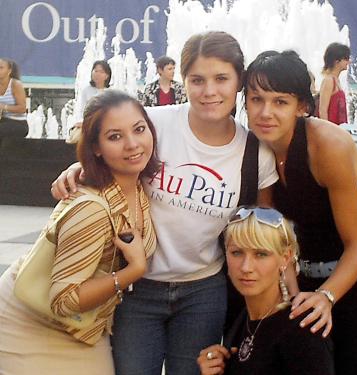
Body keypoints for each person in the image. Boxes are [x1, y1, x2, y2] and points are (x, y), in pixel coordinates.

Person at [50, 31, 278, 375]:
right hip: (135, 288)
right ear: (183, 80)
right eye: (197, 80)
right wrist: (78, 166)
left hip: (203, 291)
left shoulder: (254, 153)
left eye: (221, 79)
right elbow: (112, 147)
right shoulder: (154, 124)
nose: (209, 91)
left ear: (239, 82)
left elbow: (264, 230)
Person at [244, 50, 357, 375]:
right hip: (305, 281)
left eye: (280, 102)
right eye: (256, 99)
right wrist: (293, 295)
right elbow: (275, 238)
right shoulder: (259, 149)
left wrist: (327, 296)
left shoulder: (327, 145)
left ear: (302, 106)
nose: (265, 112)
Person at [0, 90, 159, 375]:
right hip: (30, 321)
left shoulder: (135, 184)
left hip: (84, 325)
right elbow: (64, 300)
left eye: (139, 129)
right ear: (96, 147)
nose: (133, 144)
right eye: (115, 137)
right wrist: (133, 270)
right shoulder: (91, 210)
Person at [198, 207, 335, 375]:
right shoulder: (243, 320)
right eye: (237, 253)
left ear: (285, 257)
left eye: (261, 254)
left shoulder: (301, 328)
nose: (246, 267)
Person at [67, 60, 112, 143]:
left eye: (101, 71)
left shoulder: (111, 92)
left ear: (107, 76)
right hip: (89, 125)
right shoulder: (86, 90)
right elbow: (82, 111)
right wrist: (83, 123)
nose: (97, 74)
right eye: (95, 71)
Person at [317, 42, 350, 124]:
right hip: (331, 130)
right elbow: (323, 110)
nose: (349, 62)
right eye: (346, 59)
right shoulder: (329, 81)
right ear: (336, 61)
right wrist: (327, 131)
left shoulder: (336, 80)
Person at [0, 58, 28, 139]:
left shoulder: (15, 85)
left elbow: (22, 108)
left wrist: (3, 107)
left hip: (18, 123)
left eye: (1, 68)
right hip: (3, 121)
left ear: (9, 71)